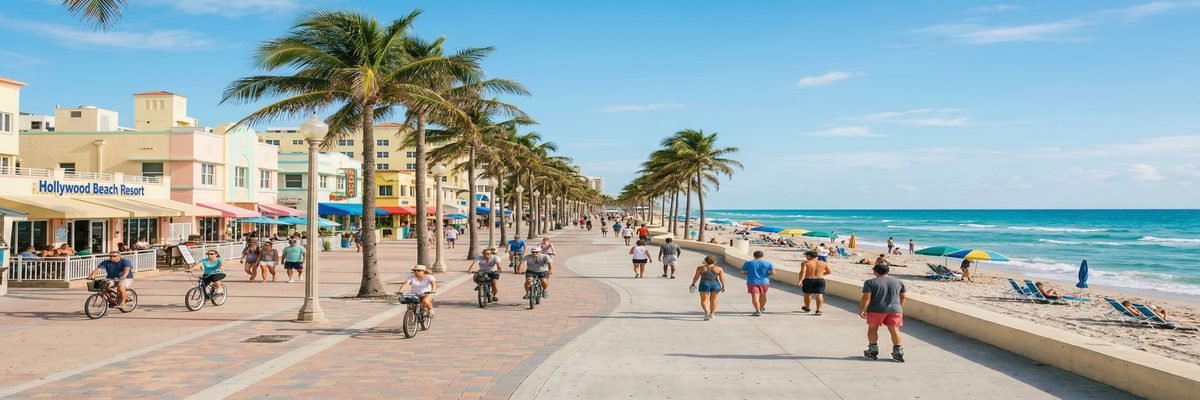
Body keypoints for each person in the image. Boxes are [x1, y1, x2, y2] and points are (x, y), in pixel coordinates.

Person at [860, 264, 906, 361]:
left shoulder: (870, 282)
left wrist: (863, 309)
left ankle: (873, 351)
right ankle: (898, 352)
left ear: (875, 271)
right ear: (887, 271)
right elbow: (903, 296)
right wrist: (899, 306)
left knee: (873, 329)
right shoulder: (899, 282)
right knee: (894, 330)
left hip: (876, 309)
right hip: (895, 309)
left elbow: (866, 297)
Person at [689, 256, 726, 321]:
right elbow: (722, 278)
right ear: (714, 262)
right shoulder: (719, 269)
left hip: (704, 284)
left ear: (706, 261)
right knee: (714, 300)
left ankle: (706, 313)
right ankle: (712, 314)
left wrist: (693, 283)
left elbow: (696, 277)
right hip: (715, 284)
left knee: (704, 300)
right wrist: (723, 286)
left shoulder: (700, 268)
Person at [741, 251, 775, 316]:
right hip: (764, 282)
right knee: (763, 295)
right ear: (762, 256)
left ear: (754, 256)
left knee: (755, 296)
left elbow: (742, 271)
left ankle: (757, 311)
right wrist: (767, 274)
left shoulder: (748, 263)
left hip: (752, 282)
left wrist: (748, 273)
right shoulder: (768, 263)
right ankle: (761, 308)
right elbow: (773, 272)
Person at [800, 250, 832, 315]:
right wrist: (821, 275)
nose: (806, 257)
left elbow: (802, 272)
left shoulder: (805, 263)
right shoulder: (823, 263)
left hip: (808, 279)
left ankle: (807, 307)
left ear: (809, 256)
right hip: (820, 280)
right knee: (819, 294)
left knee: (808, 294)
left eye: (806, 255)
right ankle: (818, 310)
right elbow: (829, 272)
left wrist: (800, 280)